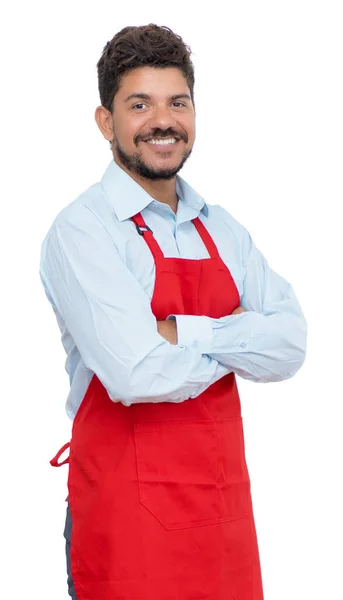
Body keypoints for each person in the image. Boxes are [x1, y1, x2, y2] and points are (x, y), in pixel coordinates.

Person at [39, 23, 307, 600]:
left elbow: (289, 345)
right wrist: (239, 342)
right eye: (140, 104)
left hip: (224, 519)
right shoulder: (83, 231)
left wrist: (179, 332)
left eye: (177, 102)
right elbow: (134, 373)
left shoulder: (223, 229)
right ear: (106, 122)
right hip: (126, 528)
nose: (163, 121)